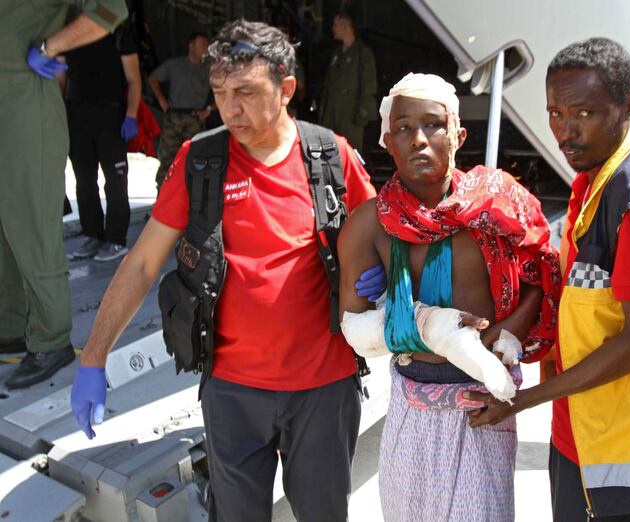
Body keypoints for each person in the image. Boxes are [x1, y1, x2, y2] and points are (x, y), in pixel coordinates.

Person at [70, 20, 384, 521]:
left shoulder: (330, 154)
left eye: (245, 92)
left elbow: (381, 233)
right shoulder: (202, 160)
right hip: (233, 392)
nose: (229, 108)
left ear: (285, 89)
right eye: (219, 92)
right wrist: (94, 357)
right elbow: (143, 262)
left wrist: (381, 274)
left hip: (324, 389)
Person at [467, 38, 630, 521]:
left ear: (629, 106)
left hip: (629, 447)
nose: (565, 131)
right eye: (555, 113)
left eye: (583, 113)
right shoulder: (597, 178)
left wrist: (524, 400)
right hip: (583, 425)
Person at [338, 73, 560, 522]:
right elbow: (356, 329)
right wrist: (430, 330)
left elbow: (542, 277)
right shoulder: (368, 225)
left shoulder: (501, 206)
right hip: (410, 405)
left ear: (458, 135)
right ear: (386, 139)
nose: (419, 139)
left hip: (485, 400)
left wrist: (508, 338)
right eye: (403, 128)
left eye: (434, 125)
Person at [1, 0, 128, 389]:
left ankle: (50, 339)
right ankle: (11, 326)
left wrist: (49, 48)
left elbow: (110, 9)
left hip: (26, 105)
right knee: (5, 231)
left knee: (32, 225)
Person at [64, 21, 142, 261]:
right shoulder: (67, 31)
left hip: (111, 116)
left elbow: (134, 80)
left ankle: (116, 240)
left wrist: (131, 115)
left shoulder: (118, 32)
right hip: (77, 116)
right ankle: (93, 235)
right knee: (84, 180)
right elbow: (61, 78)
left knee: (115, 180)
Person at [149, 32, 213, 189]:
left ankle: (193, 203)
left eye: (207, 45)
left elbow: (224, 89)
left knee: (195, 162)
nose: (205, 48)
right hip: (174, 118)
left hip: (195, 119)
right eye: (202, 44)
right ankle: (162, 203)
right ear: (191, 46)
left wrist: (210, 109)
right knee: (167, 162)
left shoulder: (209, 70)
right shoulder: (175, 65)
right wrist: (161, 99)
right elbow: (153, 79)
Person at [319, 11, 377, 152]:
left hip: (350, 114)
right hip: (332, 113)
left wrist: (363, 112)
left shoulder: (362, 52)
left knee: (351, 151)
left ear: (346, 27)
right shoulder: (337, 53)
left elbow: (368, 86)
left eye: (336, 25)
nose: (333, 28)